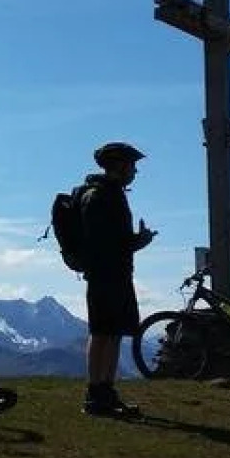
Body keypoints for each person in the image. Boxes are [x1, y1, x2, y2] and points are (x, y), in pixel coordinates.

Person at [74, 141, 156, 417]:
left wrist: (133, 242)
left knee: (112, 332)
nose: (134, 171)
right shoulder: (101, 197)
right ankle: (97, 394)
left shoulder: (108, 194)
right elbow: (107, 242)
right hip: (107, 275)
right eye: (131, 166)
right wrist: (139, 241)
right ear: (119, 165)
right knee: (104, 333)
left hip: (112, 274)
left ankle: (104, 392)